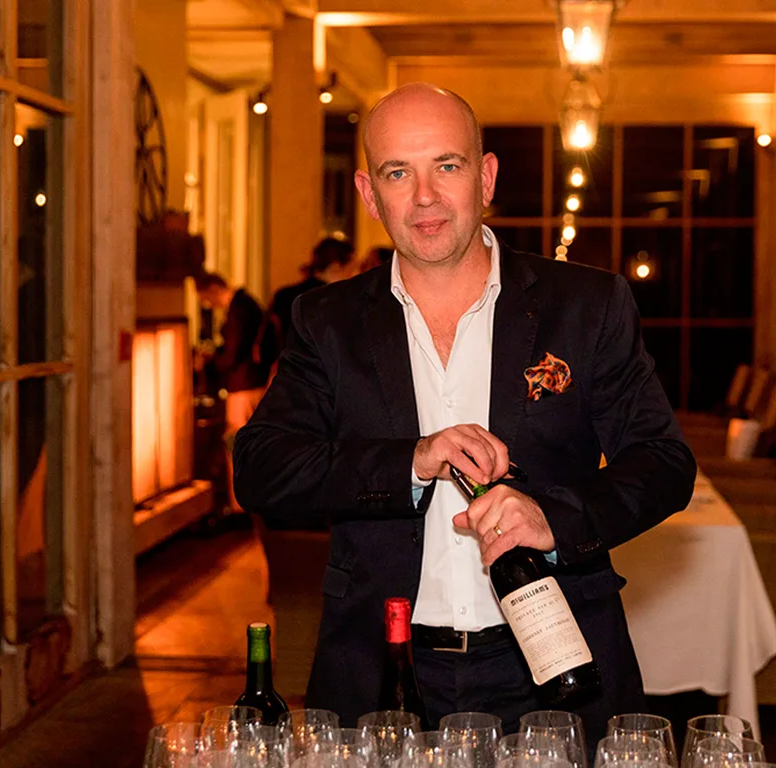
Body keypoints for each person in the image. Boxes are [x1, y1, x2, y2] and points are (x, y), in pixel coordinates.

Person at [233, 84, 696, 743]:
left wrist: (554, 518)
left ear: (485, 177)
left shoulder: (586, 305)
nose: (424, 196)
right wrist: (411, 460)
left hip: (556, 661)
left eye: (446, 166)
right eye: (398, 172)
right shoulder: (327, 320)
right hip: (382, 669)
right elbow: (260, 467)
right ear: (369, 194)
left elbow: (664, 463)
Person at [195, 272, 269, 512]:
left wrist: (210, 362)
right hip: (254, 381)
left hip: (243, 385)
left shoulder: (238, 310)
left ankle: (242, 506)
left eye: (206, 299)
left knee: (237, 443)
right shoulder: (247, 305)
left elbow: (233, 353)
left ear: (213, 289)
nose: (208, 305)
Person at [268, 237, 356, 351]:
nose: (355, 275)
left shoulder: (283, 295)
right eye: (352, 269)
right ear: (336, 266)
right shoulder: (335, 300)